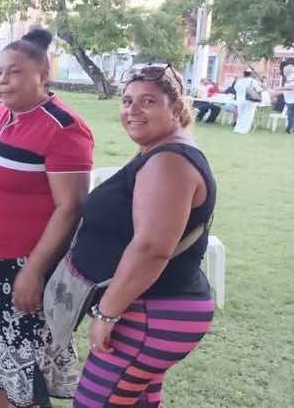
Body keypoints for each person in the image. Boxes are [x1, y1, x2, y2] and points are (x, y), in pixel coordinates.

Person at [0, 29, 93, 408]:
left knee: (24, 375)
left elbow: (71, 208)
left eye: (14, 72)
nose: (2, 80)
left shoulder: (64, 129)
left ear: (43, 75)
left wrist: (33, 271)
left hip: (22, 270)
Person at [71, 64, 216, 408]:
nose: (132, 110)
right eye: (127, 101)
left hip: (152, 314)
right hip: (153, 310)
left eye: (148, 101)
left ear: (176, 108)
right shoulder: (160, 151)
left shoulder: (170, 161)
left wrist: (106, 314)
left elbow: (151, 247)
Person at [232, 69, 264, 134]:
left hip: (240, 100)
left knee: (241, 115)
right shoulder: (253, 81)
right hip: (250, 100)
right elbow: (259, 90)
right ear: (251, 74)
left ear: (244, 74)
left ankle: (238, 129)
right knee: (249, 115)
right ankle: (244, 129)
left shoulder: (239, 81)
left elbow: (235, 89)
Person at [280, 62, 294, 134]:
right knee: (290, 115)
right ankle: (289, 129)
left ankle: (289, 129)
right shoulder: (289, 77)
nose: (283, 72)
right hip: (289, 100)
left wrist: (280, 89)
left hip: (292, 100)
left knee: (291, 115)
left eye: (284, 70)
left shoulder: (292, 77)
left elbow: (291, 87)